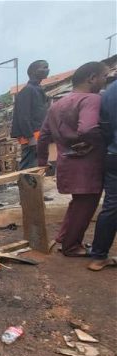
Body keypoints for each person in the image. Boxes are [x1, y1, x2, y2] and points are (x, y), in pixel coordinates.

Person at [37, 61, 109, 256]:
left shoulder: (57, 104)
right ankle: (71, 246)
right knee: (85, 205)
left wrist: (42, 163)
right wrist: (101, 143)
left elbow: (43, 137)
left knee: (78, 203)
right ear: (92, 78)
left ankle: (65, 238)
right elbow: (87, 128)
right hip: (87, 164)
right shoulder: (91, 100)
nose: (106, 81)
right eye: (105, 76)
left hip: (66, 162)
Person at [88, 76, 117, 270]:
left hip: (113, 153)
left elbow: (103, 126)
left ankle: (98, 256)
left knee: (111, 206)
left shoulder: (110, 91)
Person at [12, 60, 50, 169]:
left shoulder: (38, 90)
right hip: (31, 136)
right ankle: (24, 185)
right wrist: (30, 137)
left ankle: (31, 185)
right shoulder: (28, 90)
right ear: (33, 72)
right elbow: (23, 116)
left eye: (47, 67)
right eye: (44, 67)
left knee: (36, 166)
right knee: (28, 166)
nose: (47, 70)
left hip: (38, 134)